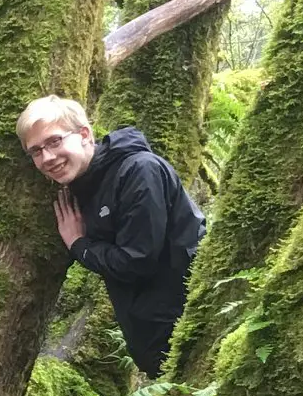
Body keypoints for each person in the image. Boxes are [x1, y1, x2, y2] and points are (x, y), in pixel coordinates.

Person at [17, 95, 205, 377]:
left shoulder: (139, 171)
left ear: (84, 134)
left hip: (194, 334)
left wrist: (80, 245)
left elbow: (136, 262)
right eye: (36, 151)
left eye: (55, 142)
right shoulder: (84, 187)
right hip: (162, 348)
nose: (47, 158)